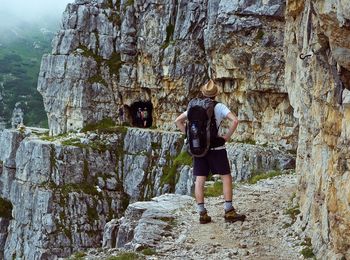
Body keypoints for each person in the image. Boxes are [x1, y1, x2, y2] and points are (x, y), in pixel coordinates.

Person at [174, 79, 246, 224]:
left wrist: (188, 137)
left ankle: (202, 214)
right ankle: (229, 210)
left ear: (202, 92)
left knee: (200, 180)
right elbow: (235, 121)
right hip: (217, 148)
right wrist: (226, 137)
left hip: (199, 149)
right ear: (216, 94)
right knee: (226, 177)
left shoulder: (194, 106)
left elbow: (178, 121)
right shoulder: (219, 107)